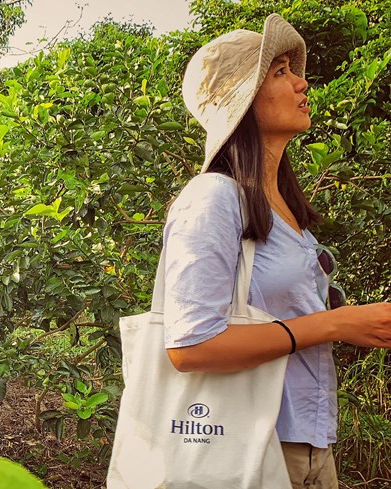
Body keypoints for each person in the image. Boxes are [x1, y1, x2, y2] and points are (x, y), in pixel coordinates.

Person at [168, 14, 391, 488]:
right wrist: (336, 324)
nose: (301, 82)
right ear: (243, 99)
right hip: (248, 445)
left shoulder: (281, 205)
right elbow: (190, 347)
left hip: (309, 443)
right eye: (281, 72)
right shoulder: (213, 198)